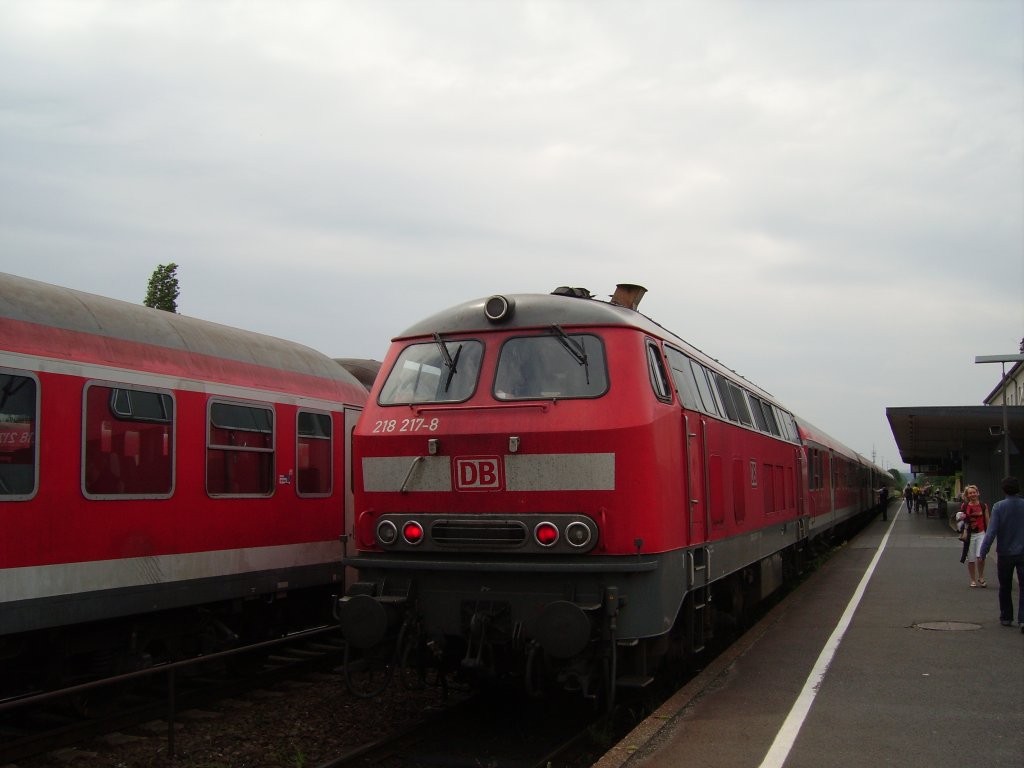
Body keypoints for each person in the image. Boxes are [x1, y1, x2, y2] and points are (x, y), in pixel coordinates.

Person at [979, 476, 1024, 631]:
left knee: (1005, 586)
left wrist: (983, 551)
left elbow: (991, 532)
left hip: (1005, 553)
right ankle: (1023, 619)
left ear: (1003, 490)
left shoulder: (998, 507)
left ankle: (1006, 617)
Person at [955, 485, 989, 587]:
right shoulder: (965, 506)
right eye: (970, 493)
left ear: (978, 493)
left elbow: (987, 520)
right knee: (971, 558)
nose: (973, 494)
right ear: (967, 495)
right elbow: (960, 519)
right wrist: (961, 517)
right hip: (969, 535)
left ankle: (981, 577)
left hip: (981, 533)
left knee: (981, 557)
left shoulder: (983, 506)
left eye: (974, 492)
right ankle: (973, 579)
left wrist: (989, 533)